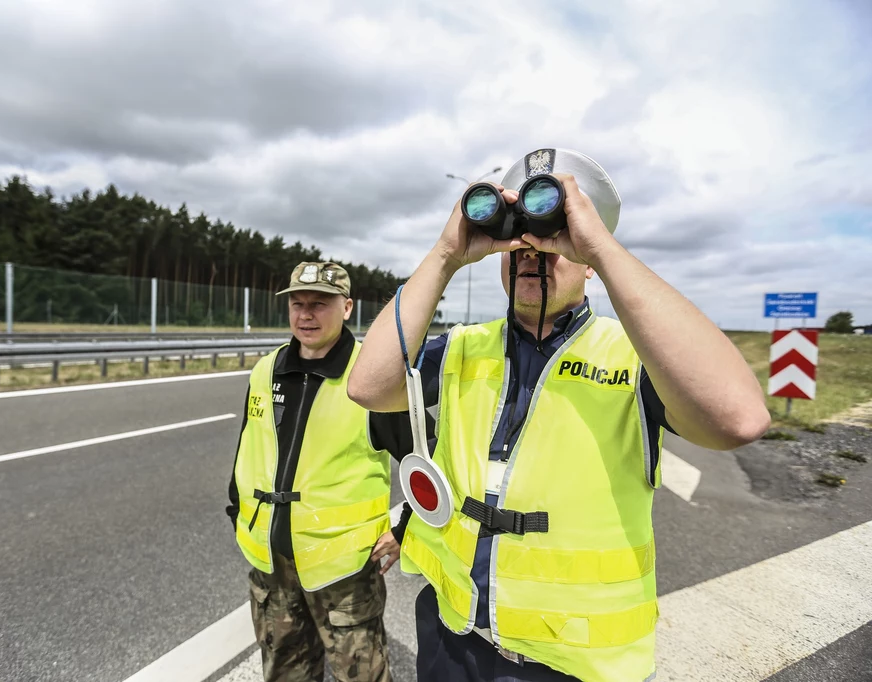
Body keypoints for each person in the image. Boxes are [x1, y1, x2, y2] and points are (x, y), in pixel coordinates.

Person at [347, 149, 771, 682]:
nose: (533, 252)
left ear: (588, 255)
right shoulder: (462, 347)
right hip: (451, 642)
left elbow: (737, 419)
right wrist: (445, 255)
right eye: (520, 243)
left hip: (570, 668)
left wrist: (602, 248)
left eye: (554, 238)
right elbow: (368, 386)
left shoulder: (633, 358)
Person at [227, 261, 419, 682]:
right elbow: (249, 446)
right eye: (297, 303)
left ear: (347, 307)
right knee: (284, 674)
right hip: (272, 564)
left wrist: (407, 528)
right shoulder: (267, 369)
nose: (306, 314)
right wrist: (237, 510)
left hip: (344, 572)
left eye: (319, 303)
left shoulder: (370, 377)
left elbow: (426, 460)